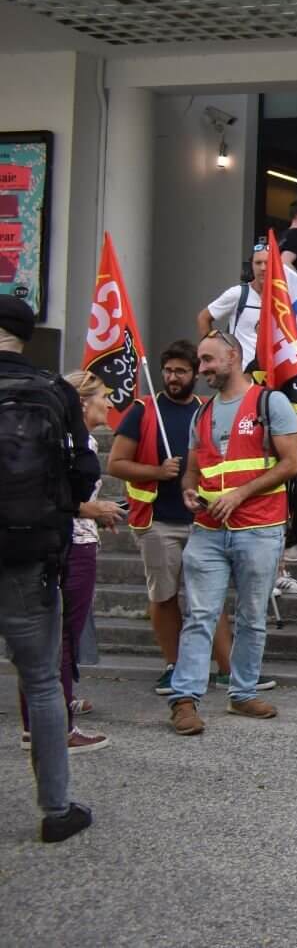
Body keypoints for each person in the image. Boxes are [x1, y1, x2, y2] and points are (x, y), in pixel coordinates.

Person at [0, 294, 100, 841]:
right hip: (29, 556)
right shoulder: (53, 391)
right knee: (41, 682)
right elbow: (85, 468)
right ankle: (56, 810)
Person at [167, 330, 297, 735]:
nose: (202, 368)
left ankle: (241, 693)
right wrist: (189, 489)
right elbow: (193, 467)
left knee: (252, 615)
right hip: (208, 528)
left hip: (259, 527)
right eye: (201, 361)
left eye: (208, 360)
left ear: (232, 356)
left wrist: (240, 493)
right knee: (200, 615)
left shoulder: (270, 401)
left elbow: (292, 462)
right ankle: (184, 700)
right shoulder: (201, 412)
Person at [109, 341, 231, 696]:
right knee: (164, 595)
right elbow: (116, 463)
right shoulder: (143, 410)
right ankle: (174, 667)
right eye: (168, 371)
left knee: (211, 596)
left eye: (181, 371)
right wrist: (157, 472)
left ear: (195, 374)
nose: (172, 377)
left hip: (202, 520)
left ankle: (228, 669)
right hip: (157, 522)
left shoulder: (207, 409)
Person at [18, 372, 120, 754]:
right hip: (70, 546)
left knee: (57, 637)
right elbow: (52, 496)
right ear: (82, 402)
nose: (109, 404)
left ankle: (47, 711)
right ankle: (54, 725)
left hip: (73, 540)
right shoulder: (69, 441)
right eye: (103, 397)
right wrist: (91, 510)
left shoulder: (74, 439)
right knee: (59, 637)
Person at [196, 242, 269, 353]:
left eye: (268, 263)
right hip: (241, 368)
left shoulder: (285, 298)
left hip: (272, 368)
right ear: (251, 265)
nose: (263, 268)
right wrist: (212, 354)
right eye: (258, 263)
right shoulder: (238, 293)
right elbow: (203, 318)